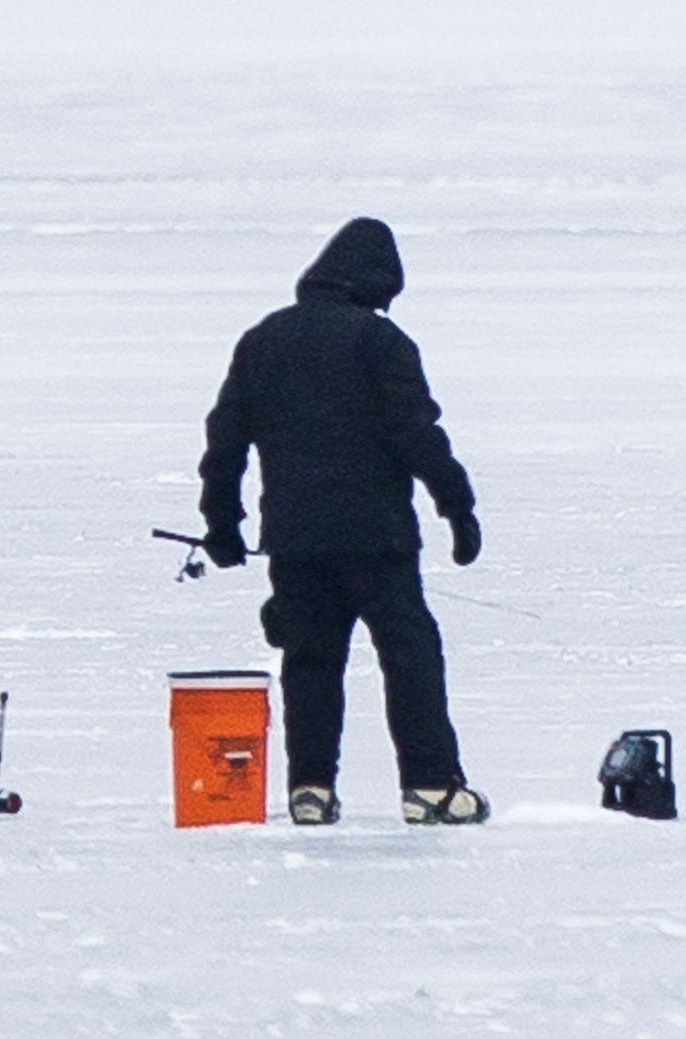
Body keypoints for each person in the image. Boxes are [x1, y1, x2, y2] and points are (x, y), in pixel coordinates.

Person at [198, 217, 489, 825]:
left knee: (310, 659)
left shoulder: (264, 339)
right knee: (410, 652)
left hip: (294, 540)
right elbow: (417, 435)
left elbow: (225, 438)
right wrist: (457, 506)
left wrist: (222, 521)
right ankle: (431, 786)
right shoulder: (381, 344)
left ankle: (309, 789)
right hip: (376, 537)